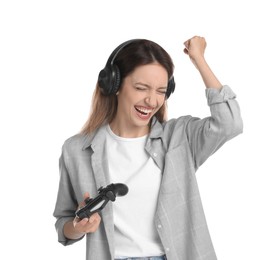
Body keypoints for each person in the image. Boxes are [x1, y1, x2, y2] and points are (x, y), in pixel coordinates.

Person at [53, 36, 243, 260]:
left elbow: (229, 123)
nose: (152, 101)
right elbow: (64, 223)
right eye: (141, 88)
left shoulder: (180, 138)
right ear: (113, 84)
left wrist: (199, 59)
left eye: (161, 91)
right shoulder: (76, 150)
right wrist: (79, 227)